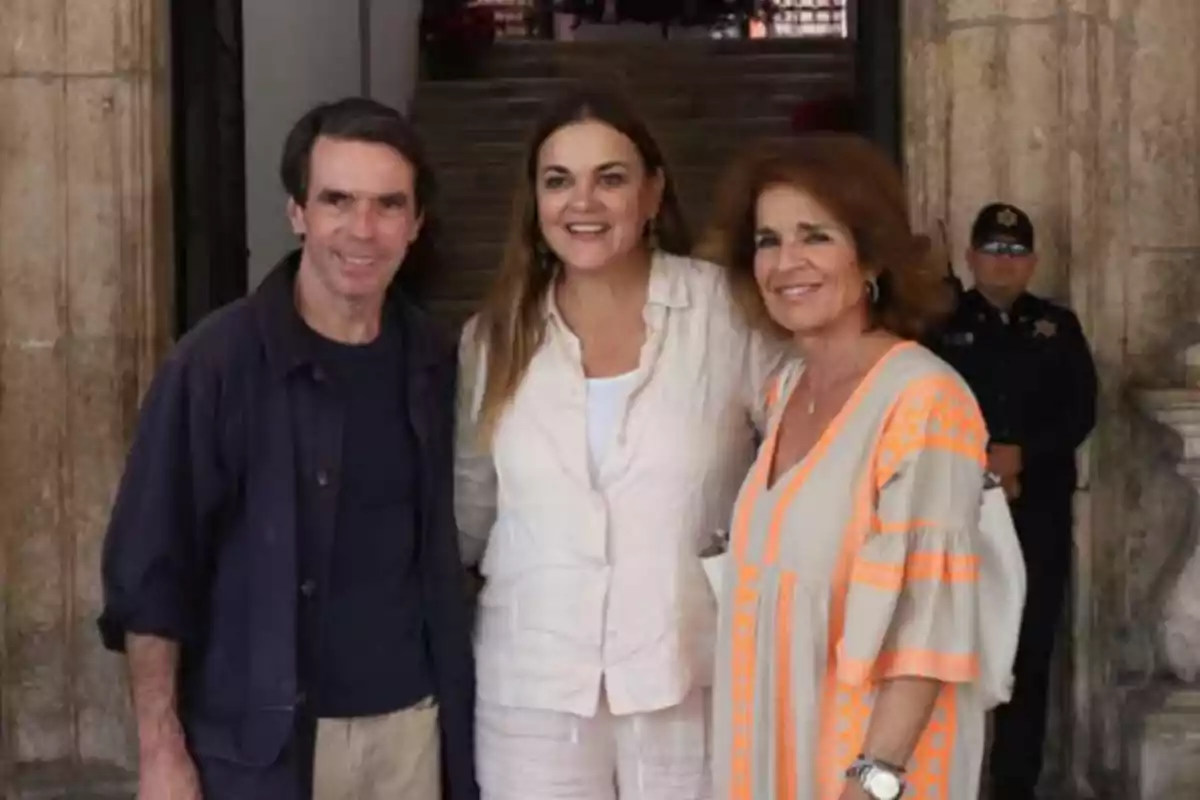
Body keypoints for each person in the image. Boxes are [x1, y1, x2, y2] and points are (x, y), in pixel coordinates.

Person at [98, 98, 477, 800]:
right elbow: (150, 574)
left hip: (413, 734)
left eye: (388, 205)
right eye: (337, 200)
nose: (362, 230)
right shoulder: (214, 366)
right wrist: (161, 750)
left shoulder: (441, 362)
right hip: (263, 749)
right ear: (297, 212)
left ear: (416, 223)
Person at [453, 86, 785, 799]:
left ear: (653, 191)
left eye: (610, 178)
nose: (584, 203)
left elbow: (807, 445)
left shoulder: (726, 314)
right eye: (559, 181)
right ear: (535, 202)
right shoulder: (493, 339)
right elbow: (471, 511)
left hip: (689, 675)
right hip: (533, 690)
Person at [698, 135, 1007, 800]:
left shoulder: (925, 399)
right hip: (775, 752)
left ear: (869, 255)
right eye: (767, 240)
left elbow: (931, 622)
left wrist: (873, 780)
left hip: (863, 771)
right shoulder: (786, 392)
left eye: (815, 236)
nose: (787, 262)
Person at [931, 202, 1098, 800]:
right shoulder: (939, 325)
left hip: (1037, 514)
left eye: (1015, 251)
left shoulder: (1058, 327)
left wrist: (1021, 455)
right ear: (971, 257)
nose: (1003, 262)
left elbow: (1081, 410)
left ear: (1031, 261)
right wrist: (979, 460)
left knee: (1028, 653)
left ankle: (1013, 786)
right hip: (959, 511)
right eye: (992, 250)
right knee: (953, 647)